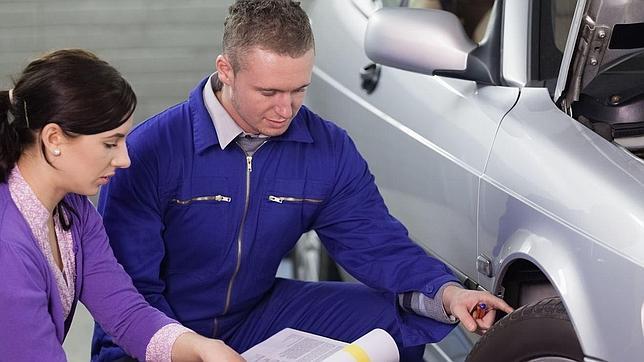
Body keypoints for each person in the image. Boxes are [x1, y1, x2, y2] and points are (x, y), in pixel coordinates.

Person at [91, 1, 513, 361]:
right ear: (226, 70)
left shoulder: (325, 148)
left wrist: (448, 294)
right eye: (269, 92)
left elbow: (375, 241)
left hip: (252, 315)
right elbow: (130, 291)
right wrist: (191, 348)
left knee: (399, 315)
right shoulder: (151, 151)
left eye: (299, 90)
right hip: (159, 330)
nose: (286, 109)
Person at [0, 49, 244, 362]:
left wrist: (202, 348)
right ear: (54, 139)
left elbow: (126, 314)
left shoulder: (73, 211)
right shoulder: (8, 247)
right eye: (109, 143)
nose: (125, 159)